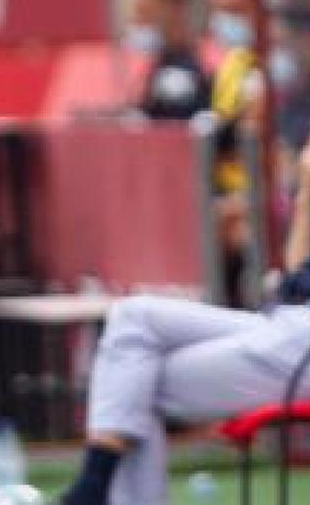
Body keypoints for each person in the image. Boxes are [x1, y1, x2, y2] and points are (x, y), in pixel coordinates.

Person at [57, 137, 310, 505]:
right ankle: (94, 486)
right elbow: (296, 268)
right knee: (134, 318)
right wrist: (306, 194)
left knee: (137, 384)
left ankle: (94, 488)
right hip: (289, 323)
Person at [204, 0, 265, 307]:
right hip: (230, 196)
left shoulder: (277, 63)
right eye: (219, 10)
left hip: (261, 199)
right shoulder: (231, 63)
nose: (224, 20)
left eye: (235, 10)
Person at [123, 0, 210, 121]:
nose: (138, 22)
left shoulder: (207, 60)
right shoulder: (145, 64)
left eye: (146, 12)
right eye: (137, 14)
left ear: (175, 7)